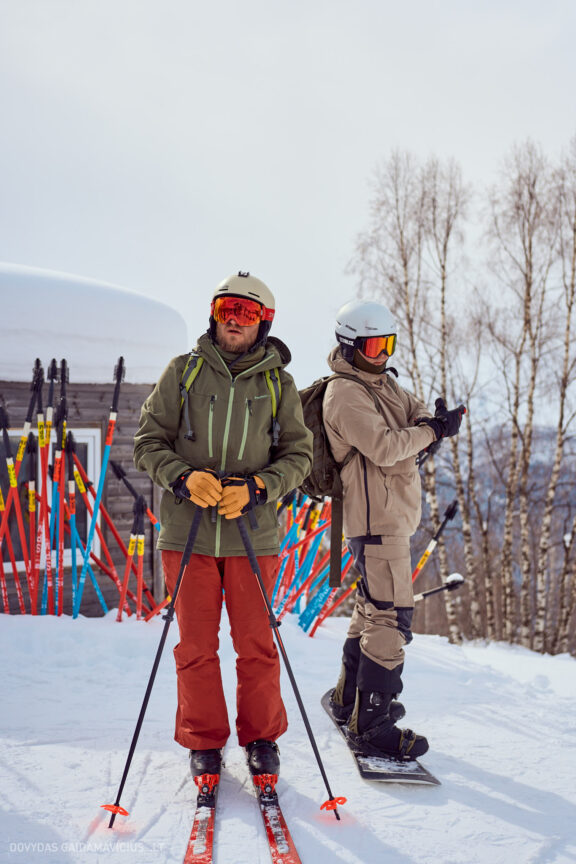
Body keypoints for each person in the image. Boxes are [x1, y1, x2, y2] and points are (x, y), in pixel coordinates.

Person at [133, 272, 313, 779]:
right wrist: (183, 477)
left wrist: (257, 488)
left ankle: (260, 739)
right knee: (194, 646)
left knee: (256, 645)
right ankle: (204, 742)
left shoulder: (278, 384)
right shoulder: (184, 372)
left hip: (252, 537)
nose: (235, 319)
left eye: (248, 312)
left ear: (264, 322)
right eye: (227, 308)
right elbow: (147, 442)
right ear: (214, 313)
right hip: (186, 535)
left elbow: (298, 456)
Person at [324, 299, 464, 759]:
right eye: (372, 345)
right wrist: (433, 432)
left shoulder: (382, 384)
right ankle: (373, 723)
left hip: (389, 517)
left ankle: (350, 699)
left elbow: (416, 410)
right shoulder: (344, 394)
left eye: (388, 344)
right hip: (375, 520)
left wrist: (429, 423)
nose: (382, 354)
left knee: (372, 608)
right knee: (391, 617)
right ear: (350, 345)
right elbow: (384, 447)